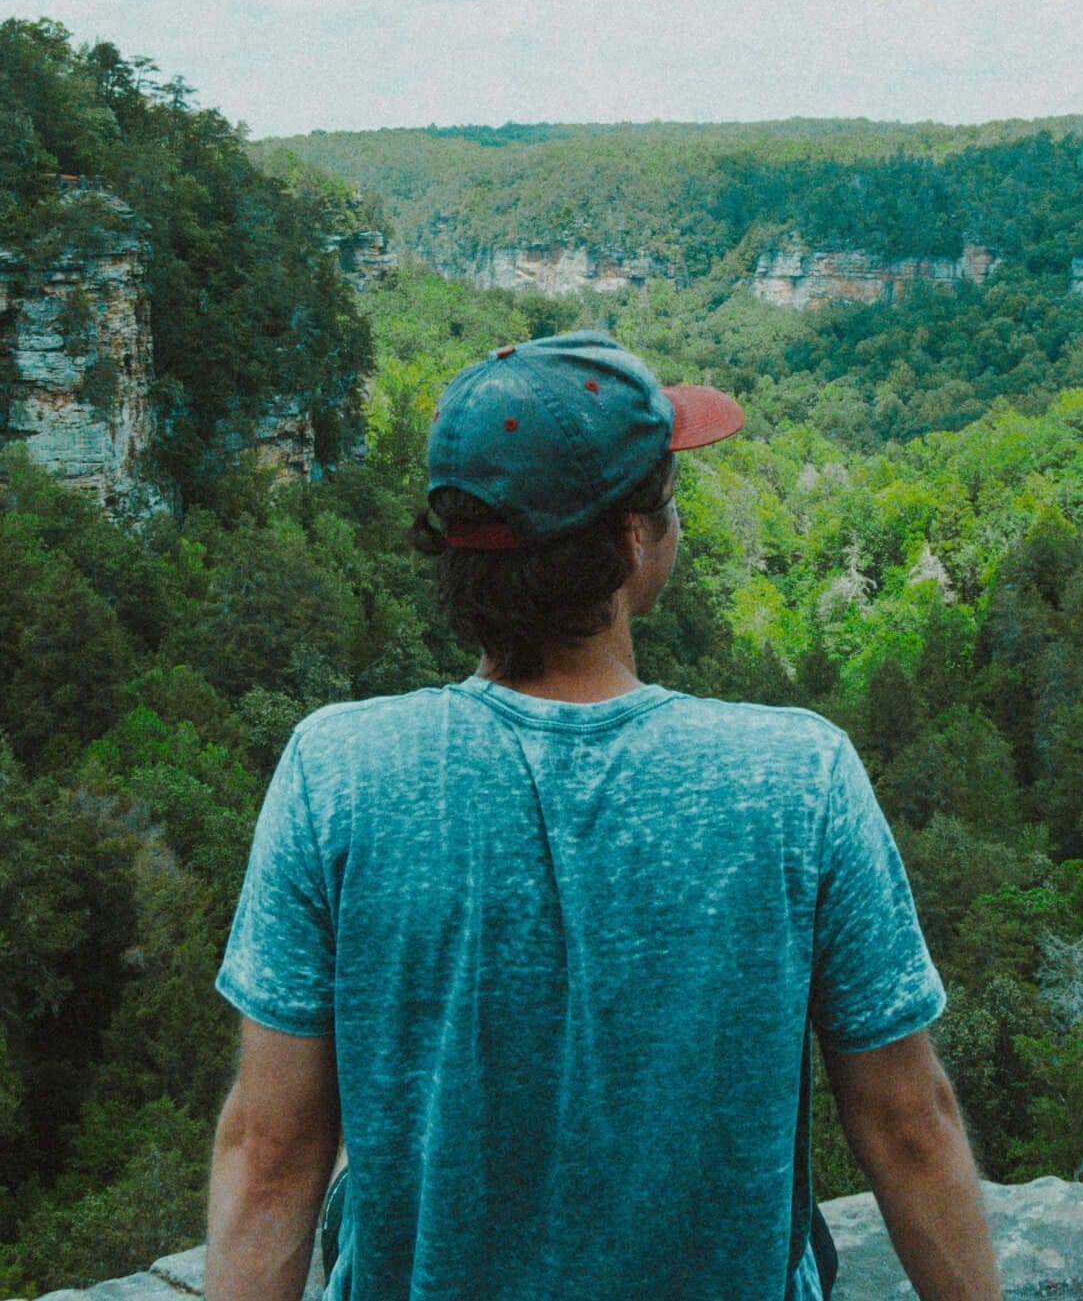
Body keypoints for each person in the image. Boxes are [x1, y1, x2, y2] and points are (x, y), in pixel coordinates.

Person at [202, 331, 1002, 1300]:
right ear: (632, 540)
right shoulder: (793, 777)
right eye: (669, 498)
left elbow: (274, 1147)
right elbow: (907, 1126)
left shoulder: (339, 771)